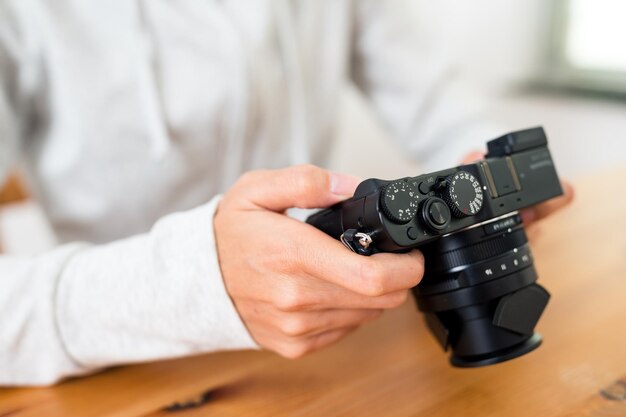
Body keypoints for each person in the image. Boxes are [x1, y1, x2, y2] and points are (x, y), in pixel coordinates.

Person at [0, 1, 573, 386]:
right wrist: (197, 282)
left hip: (335, 347)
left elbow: (440, 104)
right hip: (121, 366)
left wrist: (489, 174)